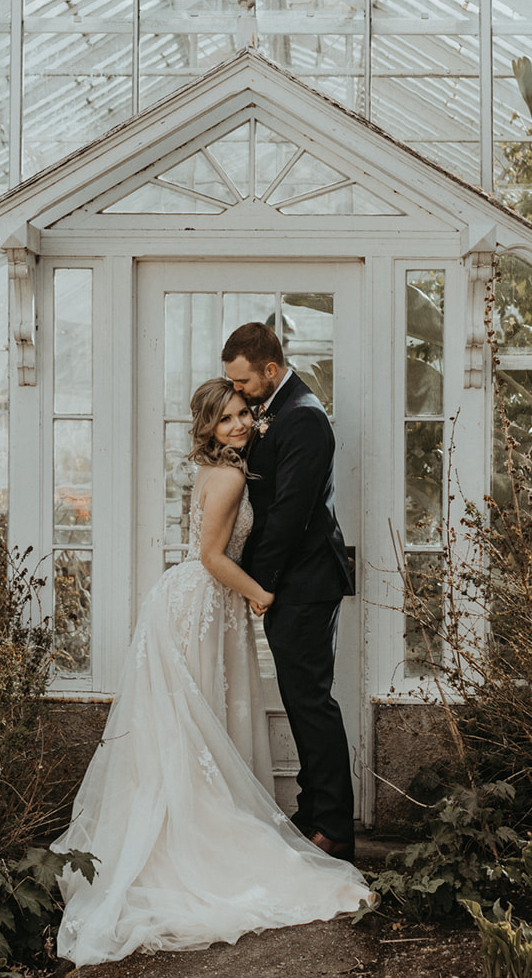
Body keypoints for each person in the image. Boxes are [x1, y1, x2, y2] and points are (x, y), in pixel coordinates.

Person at [53, 377, 370, 969]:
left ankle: (197, 821)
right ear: (208, 428)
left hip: (200, 603)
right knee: (193, 725)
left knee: (195, 726)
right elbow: (211, 556)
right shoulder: (226, 477)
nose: (242, 424)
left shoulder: (224, 469)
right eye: (227, 419)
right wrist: (263, 596)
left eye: (245, 412)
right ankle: (193, 836)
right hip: (199, 603)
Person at [221, 321, 356, 861]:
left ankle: (335, 830)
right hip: (292, 585)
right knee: (301, 703)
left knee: (311, 702)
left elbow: (288, 517)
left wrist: (260, 587)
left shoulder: (303, 418)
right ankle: (311, 809)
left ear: (270, 370)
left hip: (303, 583)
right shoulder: (278, 409)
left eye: (244, 382)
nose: (238, 392)